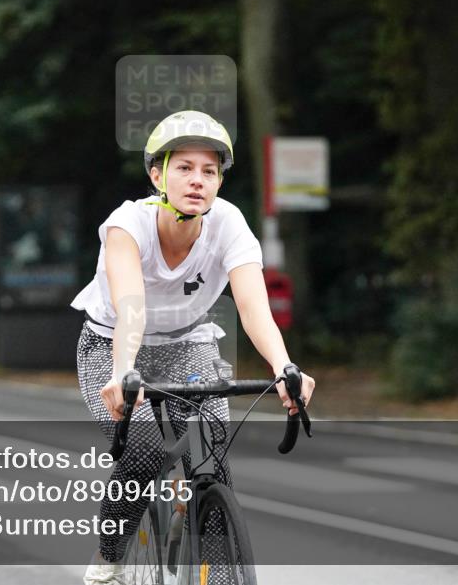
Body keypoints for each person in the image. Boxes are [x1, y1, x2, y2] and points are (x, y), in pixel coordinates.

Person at [71, 110, 315, 584]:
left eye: (210, 170)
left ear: (220, 180)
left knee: (213, 459)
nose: (198, 181)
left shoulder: (228, 224)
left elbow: (253, 308)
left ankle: (214, 565)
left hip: (188, 345)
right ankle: (110, 560)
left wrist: (284, 366)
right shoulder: (127, 225)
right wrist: (124, 371)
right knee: (141, 451)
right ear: (156, 175)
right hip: (112, 343)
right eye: (184, 168)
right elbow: (130, 308)